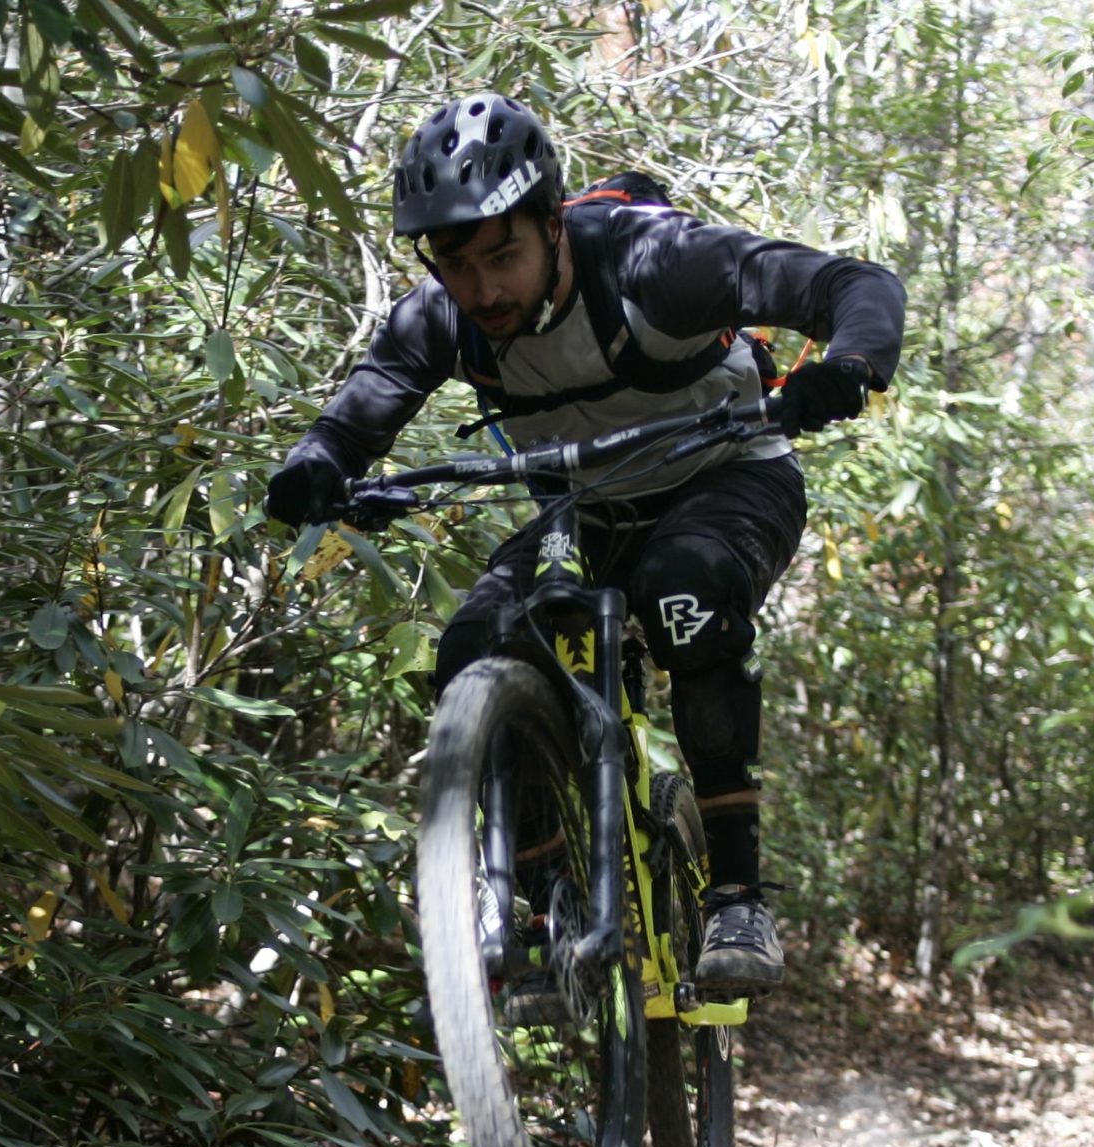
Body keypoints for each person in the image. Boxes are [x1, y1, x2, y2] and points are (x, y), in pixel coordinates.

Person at [265, 93, 904, 994]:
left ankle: (736, 896)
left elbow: (852, 287)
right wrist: (316, 467)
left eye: (504, 256)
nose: (484, 290)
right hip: (590, 505)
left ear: (554, 223)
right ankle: (544, 895)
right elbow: (364, 405)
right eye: (457, 264)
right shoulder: (443, 317)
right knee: (472, 644)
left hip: (727, 478)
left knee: (682, 587)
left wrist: (847, 366)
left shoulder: (654, 261)